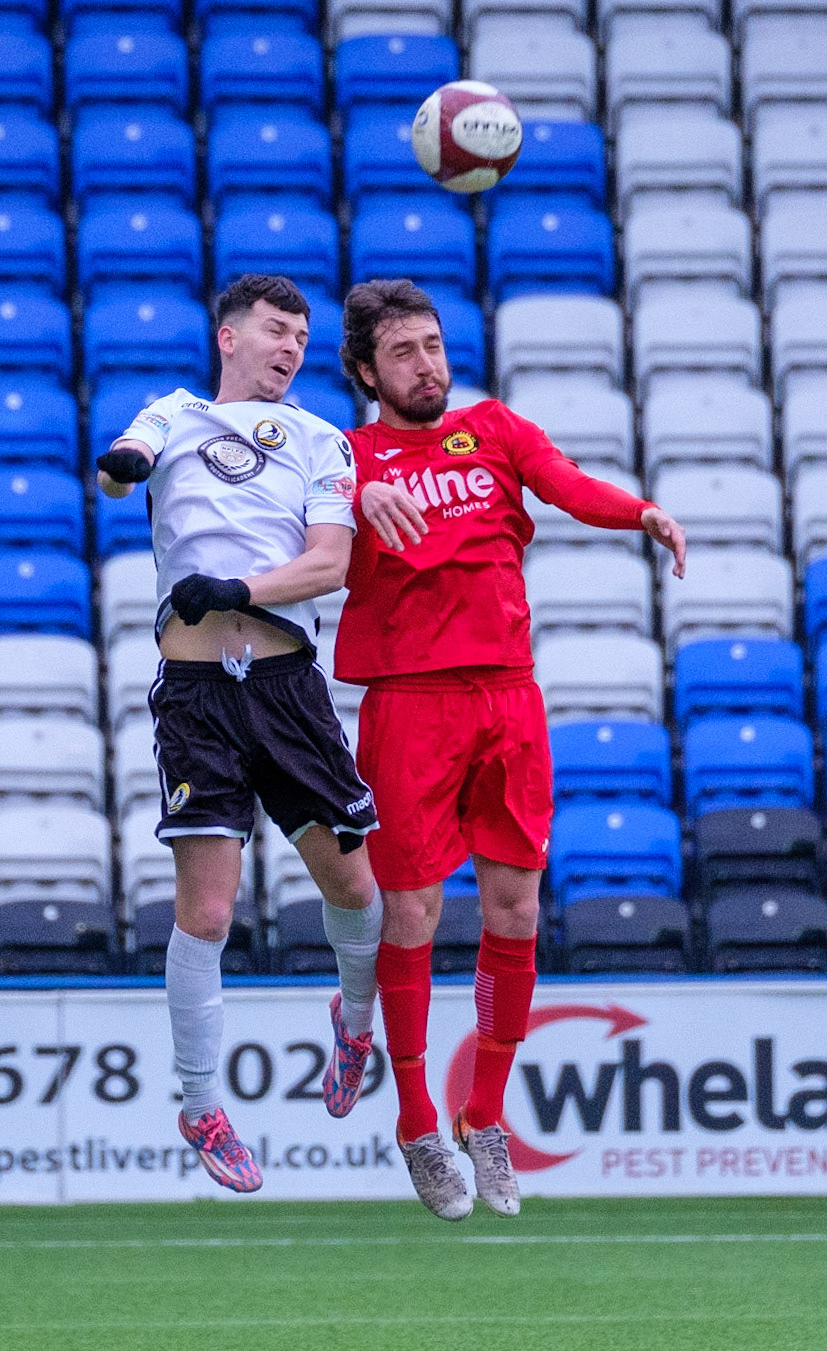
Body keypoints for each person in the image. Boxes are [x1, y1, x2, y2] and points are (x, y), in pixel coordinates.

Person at [335, 279, 686, 1222]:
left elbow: (569, 485)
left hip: (506, 696)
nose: (427, 364)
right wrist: (356, 498)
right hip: (408, 706)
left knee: (516, 906)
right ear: (367, 370)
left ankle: (483, 1112)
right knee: (410, 913)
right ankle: (417, 1121)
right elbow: (306, 532)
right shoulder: (347, 459)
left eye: (434, 344)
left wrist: (639, 512)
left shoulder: (492, 428)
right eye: (403, 351)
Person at [95, 273, 383, 1194]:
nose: (291, 348)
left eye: (301, 336)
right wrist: (122, 469)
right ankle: (200, 1103)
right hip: (195, 694)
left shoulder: (321, 439)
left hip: (287, 685)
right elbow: (116, 465)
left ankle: (354, 1019)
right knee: (208, 912)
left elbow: (330, 563)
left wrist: (237, 590)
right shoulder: (171, 414)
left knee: (354, 886)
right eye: (274, 331)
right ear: (230, 337)